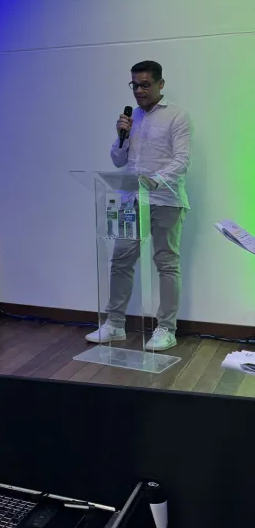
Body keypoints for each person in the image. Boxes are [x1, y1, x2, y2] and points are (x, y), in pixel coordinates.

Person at [85, 60, 191, 352]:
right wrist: (121, 135)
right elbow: (118, 160)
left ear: (160, 84)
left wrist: (154, 181)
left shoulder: (177, 116)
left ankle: (166, 329)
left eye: (145, 85)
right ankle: (115, 324)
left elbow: (182, 160)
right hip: (131, 200)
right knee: (120, 260)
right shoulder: (132, 119)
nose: (139, 91)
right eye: (135, 85)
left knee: (166, 263)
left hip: (166, 200)